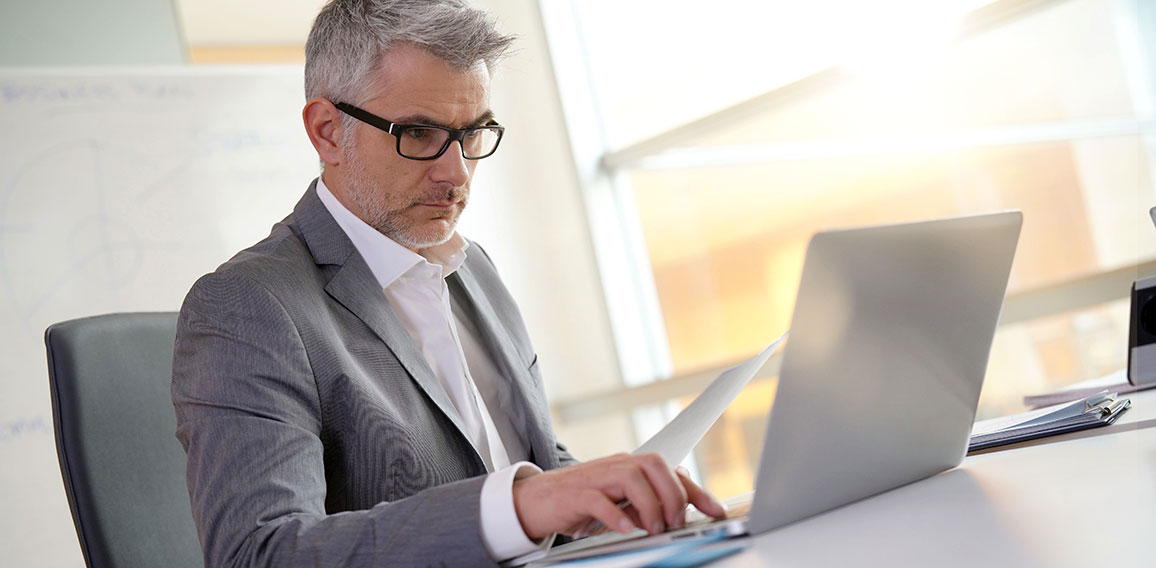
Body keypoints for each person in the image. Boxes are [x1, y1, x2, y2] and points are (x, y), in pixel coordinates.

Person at [171, 0, 725, 566]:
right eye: (419, 133)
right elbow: (260, 554)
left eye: (474, 133)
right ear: (327, 132)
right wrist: (524, 505)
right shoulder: (247, 306)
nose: (456, 172)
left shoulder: (472, 266)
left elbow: (529, 459)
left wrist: (611, 496)